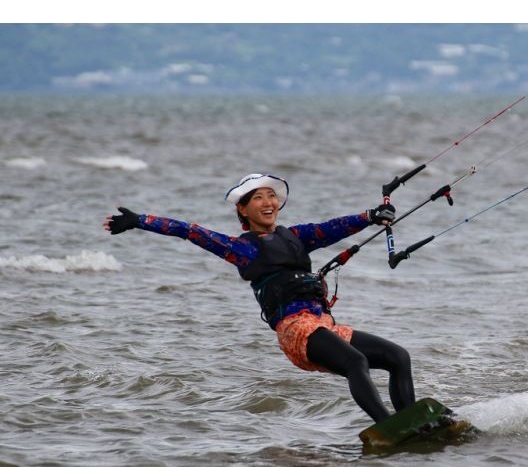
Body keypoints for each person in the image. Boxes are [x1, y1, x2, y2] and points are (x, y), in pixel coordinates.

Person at [104, 173, 415, 423]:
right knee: (355, 361)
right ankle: (388, 426)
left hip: (324, 325)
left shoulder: (295, 236)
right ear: (243, 209)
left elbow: (332, 228)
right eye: (258, 198)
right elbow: (191, 231)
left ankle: (411, 421)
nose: (268, 202)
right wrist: (140, 220)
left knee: (398, 357)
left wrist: (372, 215)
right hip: (296, 331)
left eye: (271, 196)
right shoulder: (243, 248)